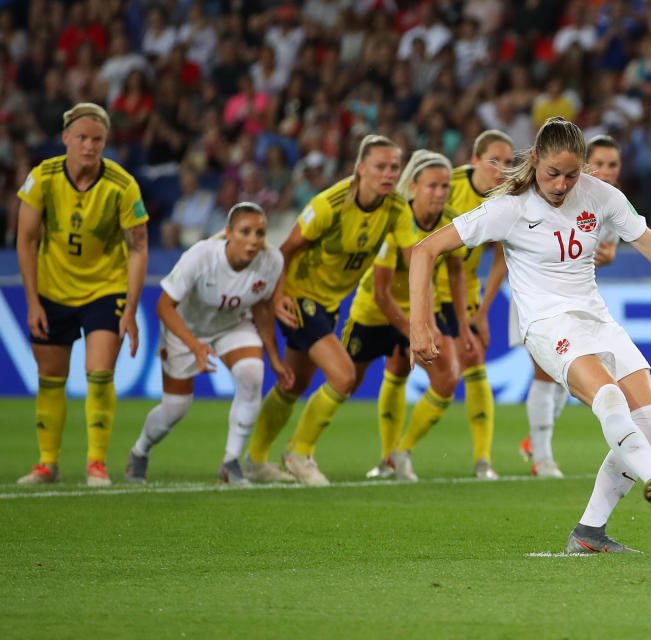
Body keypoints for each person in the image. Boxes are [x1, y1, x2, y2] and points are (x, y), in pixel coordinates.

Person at [407, 118, 651, 554]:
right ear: (534, 160)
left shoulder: (602, 197)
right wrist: (419, 324)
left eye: (572, 174)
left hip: (596, 319)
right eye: (553, 173)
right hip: (547, 325)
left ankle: (589, 533)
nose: (561, 184)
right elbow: (424, 251)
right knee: (608, 397)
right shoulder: (508, 208)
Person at [244, 134, 417, 485]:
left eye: (394, 167)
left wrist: (421, 321)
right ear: (360, 169)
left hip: (328, 304)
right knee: (343, 376)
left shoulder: (397, 209)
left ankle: (254, 461)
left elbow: (415, 263)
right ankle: (299, 452)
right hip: (298, 296)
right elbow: (285, 250)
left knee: (294, 384)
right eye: (380, 167)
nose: (388, 174)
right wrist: (277, 297)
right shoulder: (329, 204)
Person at [16, 103, 149, 486]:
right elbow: (25, 239)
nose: (90, 146)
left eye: (97, 140)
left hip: (105, 289)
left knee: (100, 371)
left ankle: (96, 463)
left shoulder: (123, 185)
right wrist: (32, 302)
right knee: (50, 377)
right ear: (66, 139)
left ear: (105, 141)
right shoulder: (42, 177)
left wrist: (130, 309)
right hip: (52, 289)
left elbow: (138, 249)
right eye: (82, 138)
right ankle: (47, 464)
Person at [125, 202, 294, 485]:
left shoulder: (272, 261)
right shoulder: (201, 256)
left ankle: (230, 463)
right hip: (185, 329)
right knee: (174, 409)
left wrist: (275, 358)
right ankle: (140, 451)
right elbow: (164, 306)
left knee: (252, 374)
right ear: (228, 232)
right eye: (245, 232)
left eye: (260, 233)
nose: (253, 241)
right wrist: (195, 346)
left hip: (232, 325)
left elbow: (264, 309)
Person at [346, 151, 473, 482]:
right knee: (358, 377)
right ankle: (387, 457)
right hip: (381, 308)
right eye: (433, 185)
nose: (440, 192)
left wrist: (460, 325)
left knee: (447, 377)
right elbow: (381, 291)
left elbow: (457, 273)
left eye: (445, 186)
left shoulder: (451, 221)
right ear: (413, 186)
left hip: (425, 304)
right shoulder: (395, 222)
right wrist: (413, 330)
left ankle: (401, 451)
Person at [516, 135, 622, 478]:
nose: (606, 171)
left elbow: (589, 259)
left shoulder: (609, 204)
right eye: (599, 164)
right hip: (536, 295)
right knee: (546, 371)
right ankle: (542, 457)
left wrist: (604, 259)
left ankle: (535, 441)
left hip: (575, 299)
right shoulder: (551, 196)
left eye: (613, 165)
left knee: (569, 376)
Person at [434, 129, 514, 479]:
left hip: (463, 288)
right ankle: (395, 454)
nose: (502, 169)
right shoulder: (445, 184)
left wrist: (482, 311)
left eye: (509, 162)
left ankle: (483, 460)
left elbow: (502, 255)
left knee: (472, 359)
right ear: (474, 160)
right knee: (400, 366)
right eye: (494, 160)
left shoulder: (509, 197)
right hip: (423, 289)